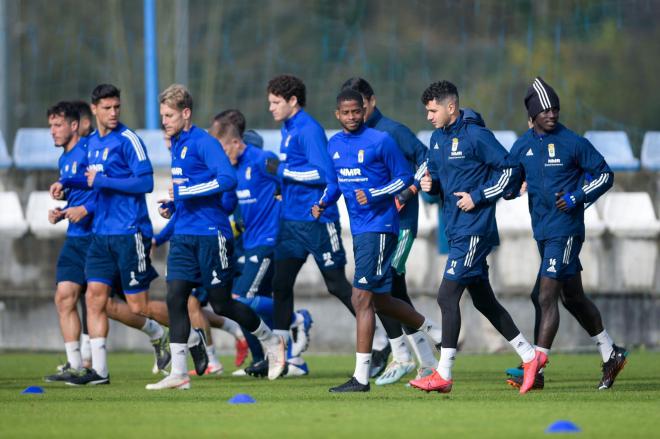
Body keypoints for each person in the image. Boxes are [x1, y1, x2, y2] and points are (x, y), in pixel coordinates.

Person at [146, 84, 285, 390]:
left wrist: (184, 192)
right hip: (184, 235)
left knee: (222, 304)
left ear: (186, 114)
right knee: (175, 297)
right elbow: (192, 191)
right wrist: (174, 205)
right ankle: (180, 374)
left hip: (212, 235)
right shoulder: (178, 144)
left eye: (169, 115)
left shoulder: (204, 142)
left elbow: (226, 180)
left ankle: (271, 340)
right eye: (162, 116)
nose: (164, 121)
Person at [409, 80, 540, 394]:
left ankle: (444, 374)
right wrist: (431, 187)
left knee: (446, 296)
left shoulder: (476, 135)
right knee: (484, 301)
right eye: (426, 111)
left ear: (450, 107)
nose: (428, 116)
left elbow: (510, 171)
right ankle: (529, 355)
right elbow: (441, 182)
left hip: (474, 231)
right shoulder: (437, 140)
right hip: (455, 230)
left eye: (433, 110)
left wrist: (478, 196)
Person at [313, 89, 443, 393]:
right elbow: (335, 183)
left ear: (365, 109)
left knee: (362, 298)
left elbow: (405, 178)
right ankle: (430, 328)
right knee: (379, 299)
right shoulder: (334, 145)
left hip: (381, 225)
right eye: (345, 113)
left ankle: (360, 378)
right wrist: (322, 202)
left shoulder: (380, 140)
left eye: (355, 112)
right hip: (359, 230)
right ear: (337, 114)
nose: (351, 118)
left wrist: (374, 194)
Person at [504, 77, 627, 391]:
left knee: (546, 295)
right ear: (531, 116)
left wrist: (577, 196)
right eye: (545, 110)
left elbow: (604, 175)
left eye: (555, 109)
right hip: (543, 232)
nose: (552, 114)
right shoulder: (522, 145)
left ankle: (536, 367)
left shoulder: (573, 142)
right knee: (571, 297)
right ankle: (610, 352)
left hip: (567, 230)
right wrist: (503, 191)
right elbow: (510, 180)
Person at [45, 101, 171, 383]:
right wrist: (63, 204)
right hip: (78, 238)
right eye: (51, 125)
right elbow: (86, 187)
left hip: (103, 235)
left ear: (76, 125)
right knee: (68, 297)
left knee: (120, 305)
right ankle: (80, 365)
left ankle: (169, 333)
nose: (53, 131)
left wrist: (85, 209)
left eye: (57, 125)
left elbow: (104, 190)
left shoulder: (96, 147)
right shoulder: (67, 158)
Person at [341, 77, 437, 384]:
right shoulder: (356, 139)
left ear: (371, 101)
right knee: (388, 290)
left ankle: (416, 357)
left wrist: (408, 192)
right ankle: (417, 357)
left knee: (383, 288)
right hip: (370, 227)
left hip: (401, 223)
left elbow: (426, 159)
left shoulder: (392, 132)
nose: (355, 113)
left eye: (360, 106)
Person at [265, 74, 361, 355]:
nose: (270, 107)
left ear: (293, 101)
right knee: (280, 285)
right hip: (291, 222)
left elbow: (324, 175)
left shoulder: (308, 129)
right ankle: (281, 353)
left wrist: (282, 172)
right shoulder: (287, 128)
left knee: (336, 285)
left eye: (275, 102)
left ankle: (380, 337)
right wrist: (281, 187)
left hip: (317, 221)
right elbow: (297, 170)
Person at [212, 109, 312, 377]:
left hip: (270, 239)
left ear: (235, 142)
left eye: (222, 148)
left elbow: (289, 181)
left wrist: (284, 204)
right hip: (250, 240)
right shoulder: (232, 170)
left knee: (239, 298)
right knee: (250, 301)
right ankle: (276, 359)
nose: (221, 155)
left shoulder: (262, 159)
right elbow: (229, 203)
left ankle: (296, 318)